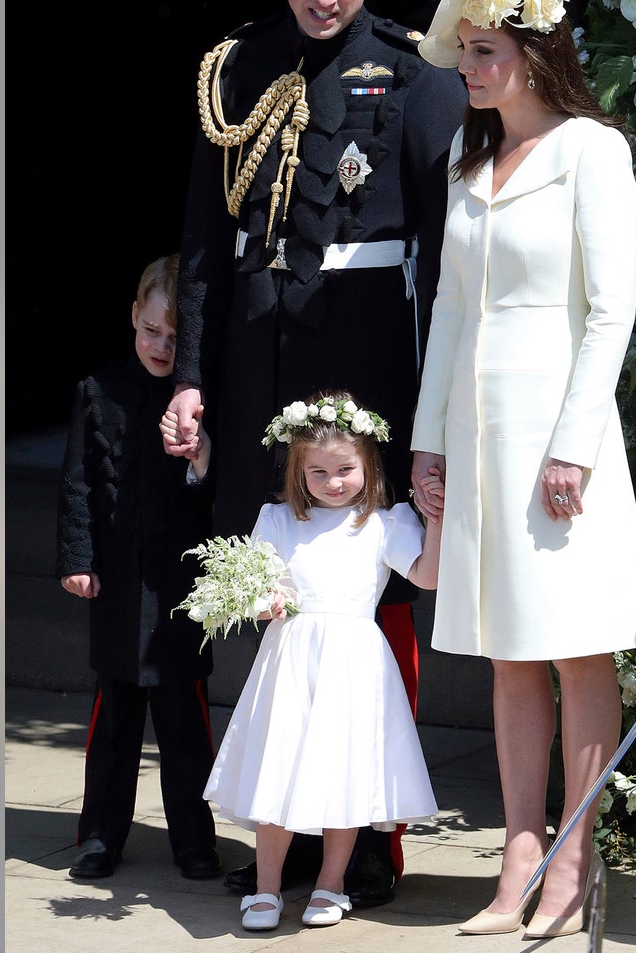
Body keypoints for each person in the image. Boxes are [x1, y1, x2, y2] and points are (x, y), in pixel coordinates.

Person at [163, 0, 465, 906]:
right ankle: (280, 831)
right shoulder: (237, 68)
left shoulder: (417, 76)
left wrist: (438, 407)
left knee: (369, 597)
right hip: (258, 359)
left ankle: (370, 834)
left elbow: (449, 249)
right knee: (266, 587)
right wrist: (195, 374)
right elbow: (207, 242)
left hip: (365, 355)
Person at [406, 0, 636, 938]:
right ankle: (516, 860)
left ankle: (571, 862)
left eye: (483, 51)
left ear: (533, 53)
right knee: (510, 655)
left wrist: (575, 445)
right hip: (479, 438)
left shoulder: (592, 151)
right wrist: (430, 444)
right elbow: (453, 315)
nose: (467, 68)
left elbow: (611, 311)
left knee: (574, 653)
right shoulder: (471, 161)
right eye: (463, 50)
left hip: (560, 438)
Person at [200, 390, 444, 931]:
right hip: (290, 659)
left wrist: (438, 519)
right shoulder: (278, 519)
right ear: (298, 470)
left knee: (343, 772)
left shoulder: (385, 523)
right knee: (277, 767)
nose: (333, 482)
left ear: (367, 464)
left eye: (345, 469)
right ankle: (266, 887)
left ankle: (330, 883)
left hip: (354, 662)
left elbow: (426, 575)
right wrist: (264, 602)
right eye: (318, 472)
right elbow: (257, 586)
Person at [56, 253, 223, 883]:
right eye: (151, 329)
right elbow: (78, 485)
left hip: (180, 584)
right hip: (120, 584)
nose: (160, 345)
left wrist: (202, 458)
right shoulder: (98, 391)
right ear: (132, 316)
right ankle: (99, 835)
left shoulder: (202, 404)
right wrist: (78, 560)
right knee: (115, 718)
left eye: (175, 337)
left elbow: (215, 493)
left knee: (185, 721)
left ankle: (193, 838)